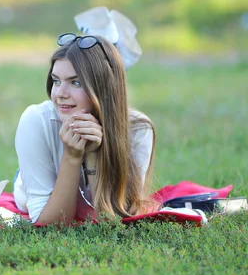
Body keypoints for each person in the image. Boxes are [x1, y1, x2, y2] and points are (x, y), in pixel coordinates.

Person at [13, 32, 156, 225]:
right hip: (39, 175)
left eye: (76, 82)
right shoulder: (36, 120)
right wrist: (71, 157)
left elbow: (114, 220)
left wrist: (93, 156)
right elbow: (51, 224)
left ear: (103, 88)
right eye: (56, 81)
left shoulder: (138, 128)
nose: (60, 94)